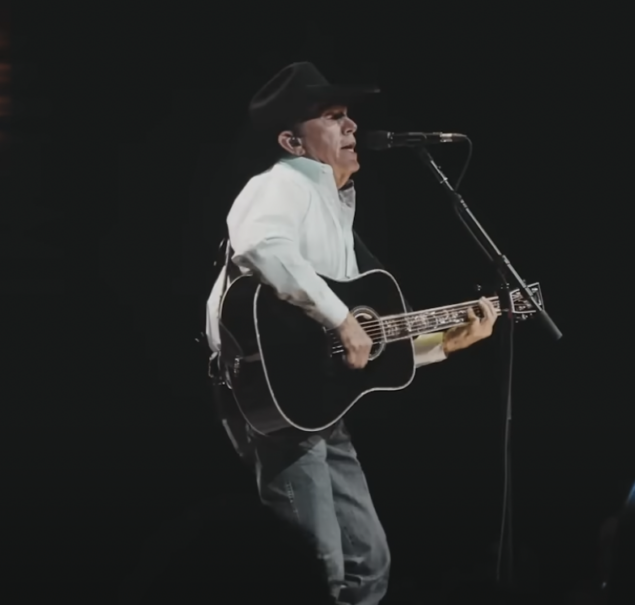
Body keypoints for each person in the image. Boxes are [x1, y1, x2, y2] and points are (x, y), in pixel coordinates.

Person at [203, 61, 496, 605]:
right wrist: (340, 316)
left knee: (370, 562)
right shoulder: (281, 184)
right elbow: (262, 248)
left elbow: (359, 336)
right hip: (273, 405)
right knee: (321, 569)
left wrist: (440, 345)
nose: (352, 127)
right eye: (333, 117)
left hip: (316, 406)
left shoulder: (336, 212)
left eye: (349, 116)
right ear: (292, 139)